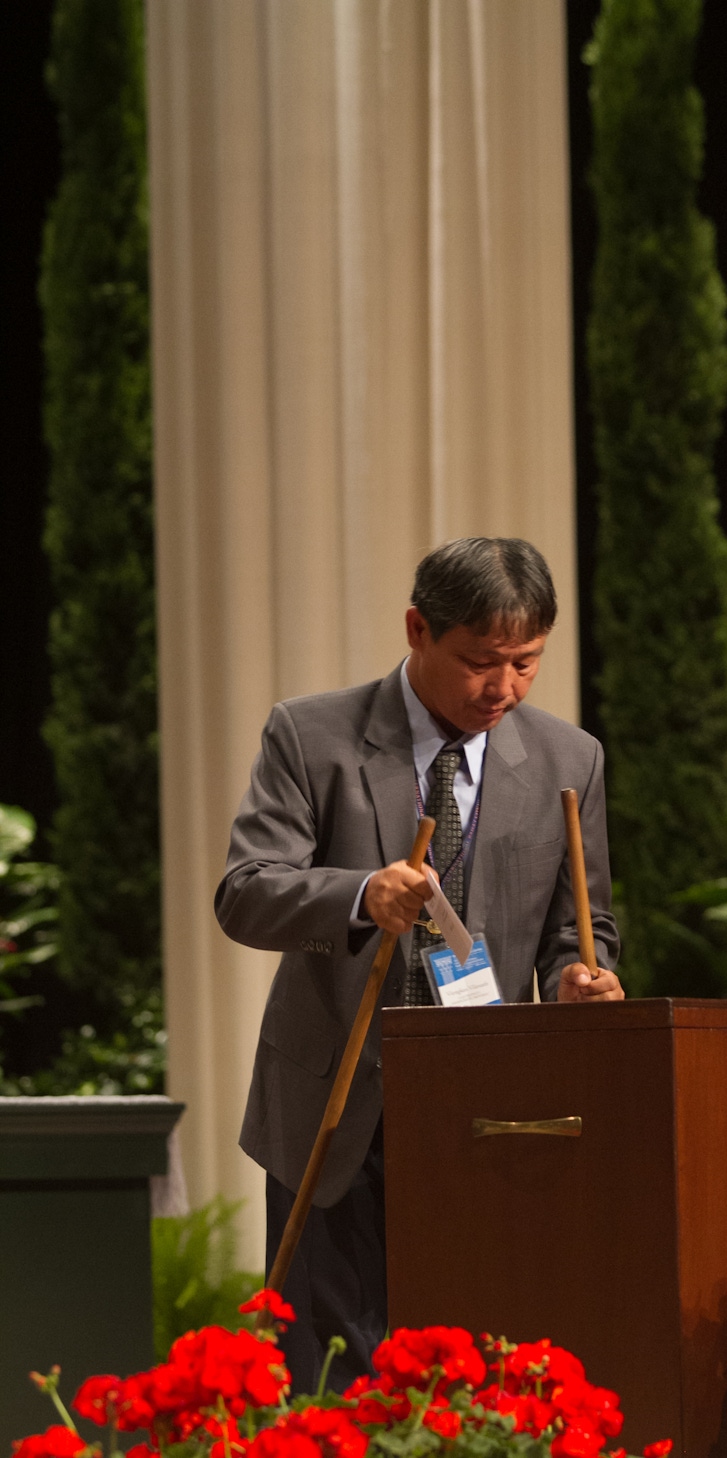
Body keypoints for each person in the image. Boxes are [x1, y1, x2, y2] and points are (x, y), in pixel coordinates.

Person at [215, 537, 622, 1393]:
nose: (503, 689)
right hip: (335, 1100)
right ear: (417, 629)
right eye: (480, 662)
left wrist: (579, 980)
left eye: (526, 664)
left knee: (469, 1371)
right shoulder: (311, 733)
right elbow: (246, 893)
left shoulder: (567, 759)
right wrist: (362, 894)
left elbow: (577, 931)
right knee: (329, 1374)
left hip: (484, 1115)